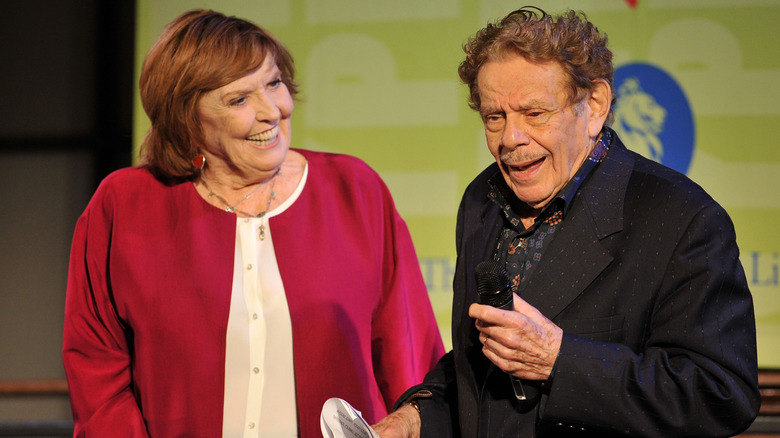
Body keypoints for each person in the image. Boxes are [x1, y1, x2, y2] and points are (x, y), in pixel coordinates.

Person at [373, 6, 760, 438]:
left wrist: (560, 360)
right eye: (494, 117)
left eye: (534, 113)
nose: (510, 139)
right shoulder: (481, 200)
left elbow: (720, 395)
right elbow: (482, 362)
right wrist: (417, 416)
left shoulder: (681, 218)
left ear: (594, 105)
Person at [62, 9, 444, 437]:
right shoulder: (125, 205)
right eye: (239, 99)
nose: (271, 111)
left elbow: (411, 359)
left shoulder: (355, 191)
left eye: (274, 83)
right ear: (187, 118)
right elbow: (98, 370)